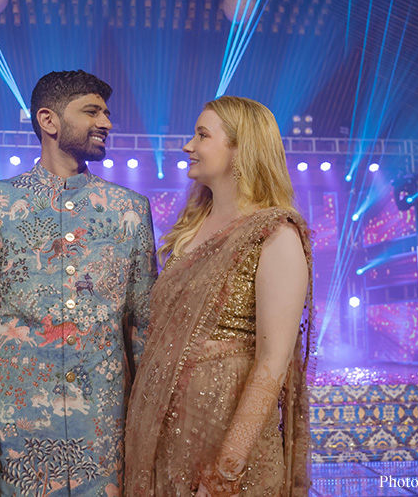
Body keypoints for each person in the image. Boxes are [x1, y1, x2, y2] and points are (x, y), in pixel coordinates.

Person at [0, 70, 157, 497]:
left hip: (107, 447)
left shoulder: (129, 211)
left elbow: (144, 334)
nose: (107, 123)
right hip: (14, 449)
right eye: (92, 111)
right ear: (49, 120)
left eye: (107, 112)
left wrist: (147, 438)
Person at [125, 96, 314, 497]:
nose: (187, 145)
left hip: (224, 441)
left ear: (240, 148)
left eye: (202, 135)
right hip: (163, 440)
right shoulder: (189, 232)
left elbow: (272, 362)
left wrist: (228, 466)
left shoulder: (276, 234)